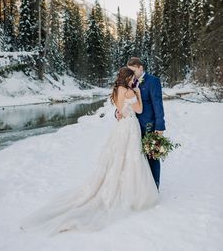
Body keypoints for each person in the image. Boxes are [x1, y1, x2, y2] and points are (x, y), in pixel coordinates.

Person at [20, 67, 159, 236]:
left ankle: (119, 182)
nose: (133, 80)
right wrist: (137, 93)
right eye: (131, 78)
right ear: (127, 78)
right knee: (130, 157)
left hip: (120, 128)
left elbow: (119, 110)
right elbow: (139, 110)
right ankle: (129, 190)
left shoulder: (116, 90)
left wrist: (121, 109)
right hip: (129, 126)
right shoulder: (129, 91)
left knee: (118, 157)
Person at [116, 57, 166, 191]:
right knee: (134, 158)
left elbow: (158, 105)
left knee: (151, 156)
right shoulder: (129, 82)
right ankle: (138, 187)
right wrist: (117, 113)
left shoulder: (153, 81)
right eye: (128, 70)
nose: (130, 73)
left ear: (140, 68)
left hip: (148, 124)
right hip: (130, 127)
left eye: (132, 70)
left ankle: (154, 187)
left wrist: (160, 126)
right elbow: (123, 101)